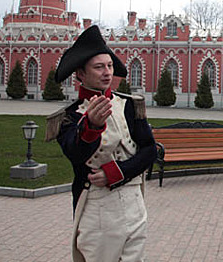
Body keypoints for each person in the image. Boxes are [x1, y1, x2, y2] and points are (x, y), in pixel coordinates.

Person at [46, 25, 157, 262]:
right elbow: (75, 155)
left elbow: (150, 150)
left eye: (109, 66)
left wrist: (118, 172)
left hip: (134, 201)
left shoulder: (129, 105)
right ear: (81, 74)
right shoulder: (68, 116)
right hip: (98, 207)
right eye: (99, 67)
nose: (107, 72)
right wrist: (91, 127)